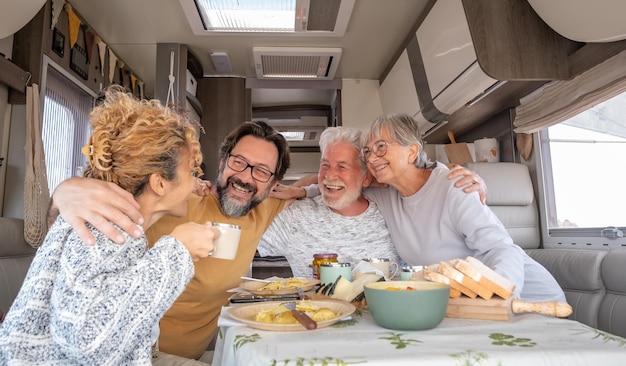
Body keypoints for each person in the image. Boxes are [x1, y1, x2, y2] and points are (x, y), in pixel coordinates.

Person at [49, 120, 486, 361]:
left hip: (191, 354)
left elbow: (349, 184)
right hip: (127, 354)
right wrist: (64, 190)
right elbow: (94, 206)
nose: (245, 178)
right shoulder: (174, 200)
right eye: (239, 162)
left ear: (274, 183)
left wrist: (459, 181)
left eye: (262, 172)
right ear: (220, 162)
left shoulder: (269, 206)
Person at [0, 88, 218, 364]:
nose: (197, 181)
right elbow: (87, 344)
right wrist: (178, 251)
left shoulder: (112, 221)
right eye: (192, 171)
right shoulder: (102, 229)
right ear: (159, 183)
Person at [359, 113, 566, 303]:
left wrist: (499, 297)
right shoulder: (386, 195)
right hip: (470, 306)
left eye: (381, 147)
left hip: (527, 299)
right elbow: (340, 184)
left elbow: (501, 249)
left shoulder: (454, 186)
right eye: (367, 151)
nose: (371, 158)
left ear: (412, 151)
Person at [258, 127, 402, 277]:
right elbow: (241, 235)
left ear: (366, 178)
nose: (330, 175)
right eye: (325, 165)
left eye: (342, 167)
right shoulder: (296, 216)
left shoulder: (390, 213)